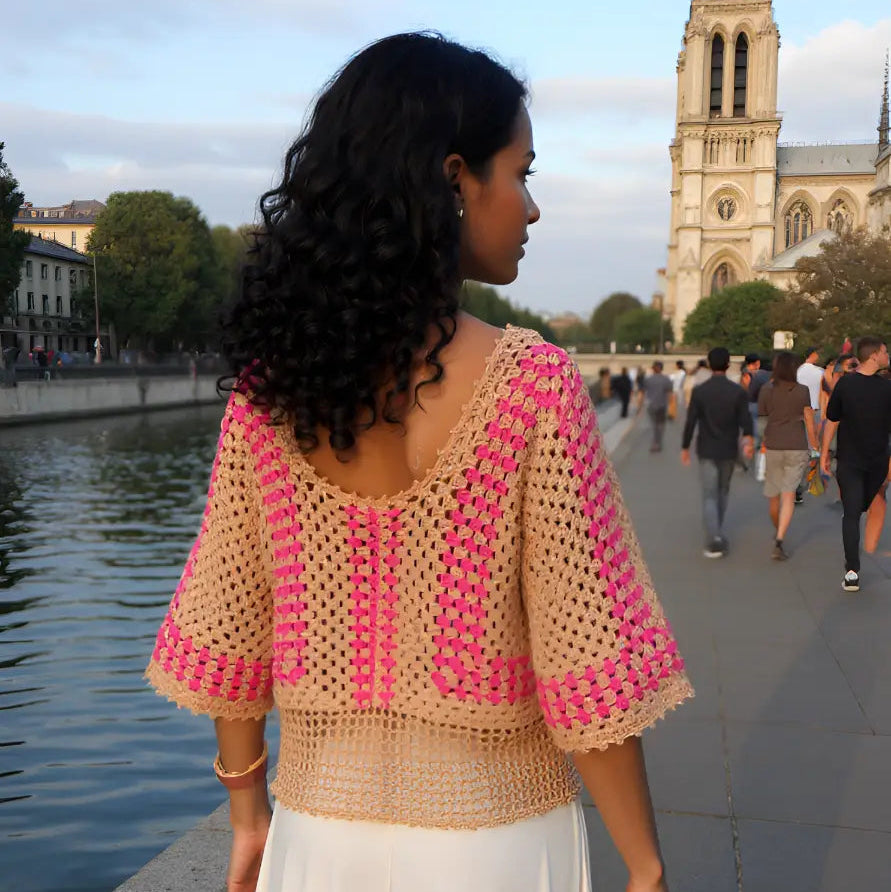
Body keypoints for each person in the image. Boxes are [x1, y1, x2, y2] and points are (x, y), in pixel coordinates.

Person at [145, 33, 691, 892]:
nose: (531, 207)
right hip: (502, 839)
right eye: (521, 173)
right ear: (451, 180)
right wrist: (646, 864)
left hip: (318, 837)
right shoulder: (533, 386)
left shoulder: (269, 396)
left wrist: (248, 817)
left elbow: (230, 626)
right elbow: (585, 664)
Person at [821, 336, 891, 592]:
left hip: (868, 461)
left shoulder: (881, 387)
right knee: (852, 512)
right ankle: (852, 570)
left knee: (856, 509)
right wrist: (825, 452)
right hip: (861, 460)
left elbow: (833, 420)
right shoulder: (854, 385)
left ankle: (853, 566)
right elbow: (833, 419)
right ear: (873, 356)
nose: (887, 355)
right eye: (884, 351)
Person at [681, 346, 754, 558]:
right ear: (728, 364)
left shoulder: (700, 391)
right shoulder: (737, 392)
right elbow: (746, 421)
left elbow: (691, 421)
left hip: (706, 448)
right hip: (729, 449)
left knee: (709, 494)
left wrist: (685, 447)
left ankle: (713, 539)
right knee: (722, 491)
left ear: (710, 365)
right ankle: (717, 532)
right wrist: (748, 440)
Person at [758, 351, 819, 560]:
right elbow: (809, 420)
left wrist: (762, 442)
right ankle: (780, 538)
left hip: (773, 445)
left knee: (773, 496)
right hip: (796, 445)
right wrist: (816, 446)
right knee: (789, 495)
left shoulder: (766, 390)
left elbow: (762, 420)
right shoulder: (802, 391)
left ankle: (778, 530)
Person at [643, 361, 673, 452]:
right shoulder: (666, 379)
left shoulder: (648, 379)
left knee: (654, 424)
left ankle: (656, 443)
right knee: (660, 425)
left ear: (653, 368)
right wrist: (670, 405)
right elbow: (670, 394)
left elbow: (643, 392)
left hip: (651, 405)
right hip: (662, 405)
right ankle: (658, 442)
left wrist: (639, 406)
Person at [742, 353, 770, 447]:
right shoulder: (759, 375)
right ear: (757, 363)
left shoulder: (746, 373)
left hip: (751, 408)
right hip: (759, 408)